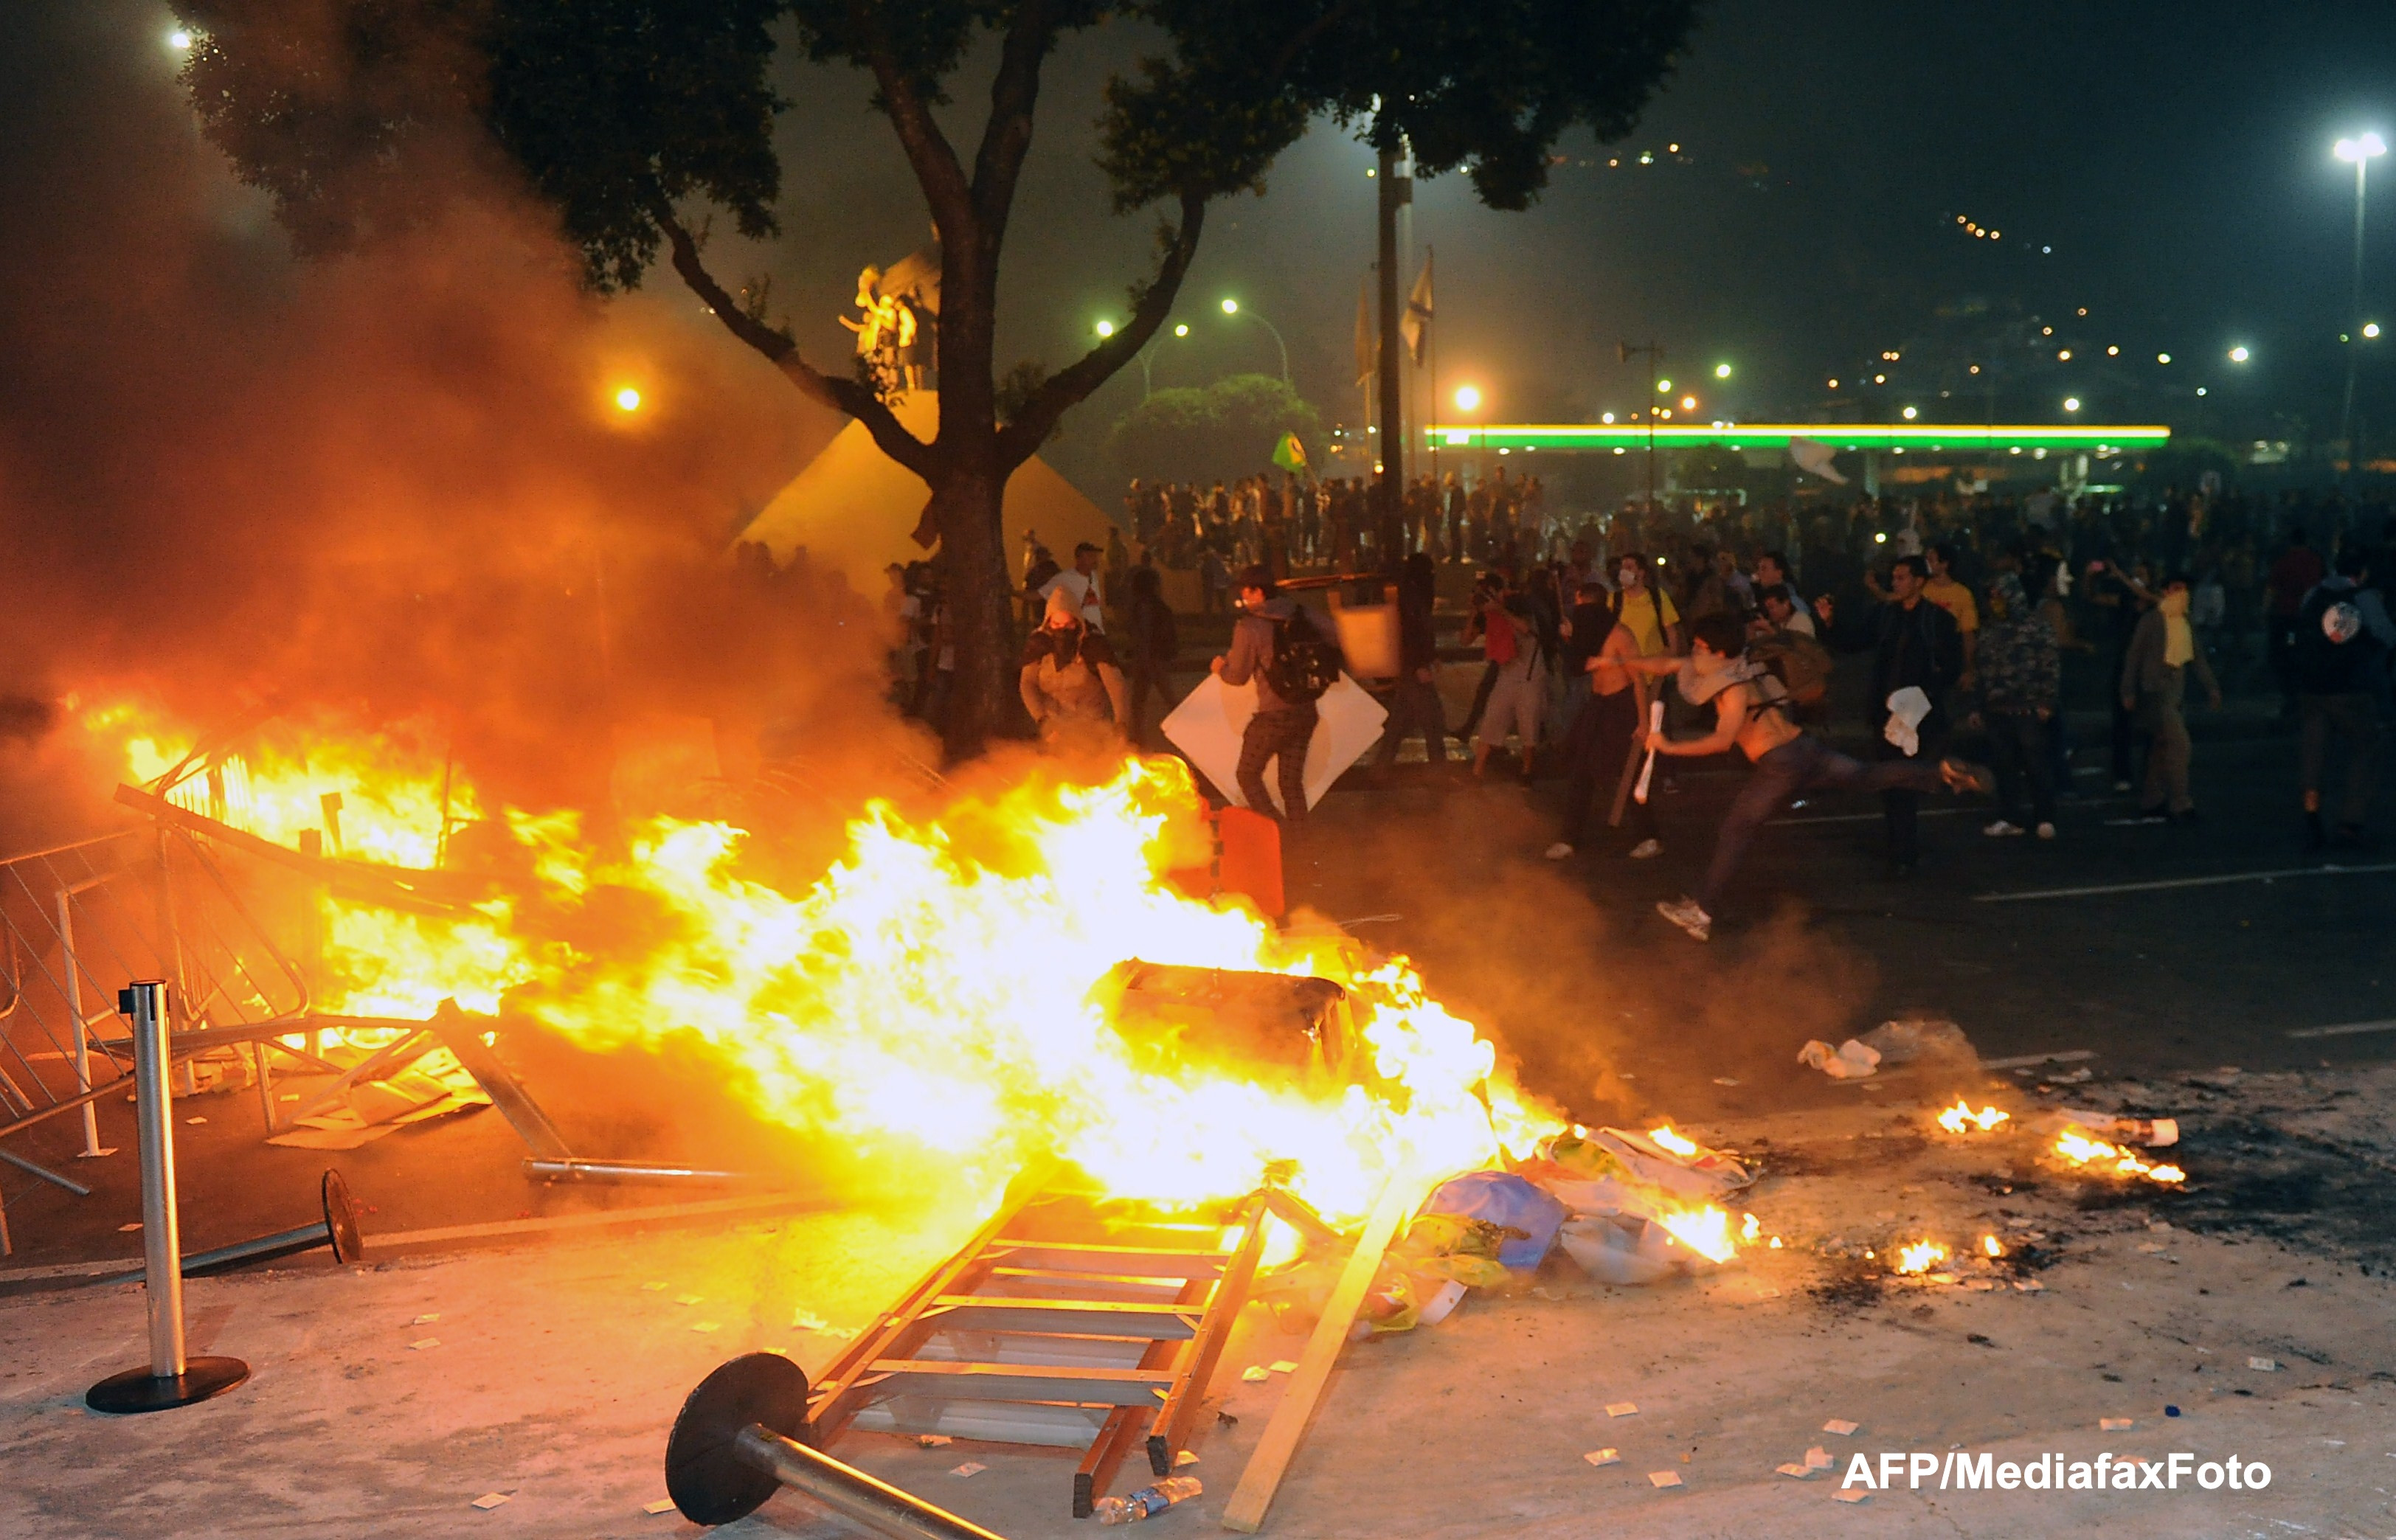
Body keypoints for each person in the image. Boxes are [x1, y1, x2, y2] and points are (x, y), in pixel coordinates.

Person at [1646, 615, 1987, 942]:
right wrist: (1613, 662)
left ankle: (1702, 912)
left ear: (1718, 652)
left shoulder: (1732, 689)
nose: (1694, 652)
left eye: (1700, 646)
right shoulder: (1742, 666)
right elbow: (1671, 665)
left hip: (1779, 763)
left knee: (1736, 829)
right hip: (1803, 748)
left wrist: (1668, 747)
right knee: (1866, 775)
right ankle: (1940, 771)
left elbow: (1720, 742)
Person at [1817, 554, 1964, 875]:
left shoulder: (1936, 620)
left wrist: (1924, 695)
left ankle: (1904, 851)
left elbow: (1952, 665)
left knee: (1906, 779)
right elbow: (1854, 642)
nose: (1895, 583)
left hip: (1918, 716)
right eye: (1894, 578)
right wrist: (1830, 623)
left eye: (1901, 578)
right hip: (1885, 714)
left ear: (1918, 582)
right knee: (1889, 780)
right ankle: (1899, 848)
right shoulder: (1885, 616)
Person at [1545, 580, 1662, 861]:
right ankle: (1568, 838)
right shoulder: (1586, 631)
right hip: (1598, 704)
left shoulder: (1621, 634)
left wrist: (1643, 722)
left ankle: (1649, 837)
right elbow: (1579, 667)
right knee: (1581, 768)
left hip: (1622, 706)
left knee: (1628, 771)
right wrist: (1567, 640)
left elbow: (1638, 679)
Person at [2293, 549, 2389, 848]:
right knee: (2367, 745)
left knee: (2314, 751)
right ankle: (2351, 821)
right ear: (2362, 572)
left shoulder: (2313, 595)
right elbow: (2386, 635)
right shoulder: (2363, 598)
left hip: (2311, 687)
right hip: (2348, 689)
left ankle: (2311, 815)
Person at [1213, 565, 1320, 822]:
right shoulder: (1301, 614)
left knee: (1247, 774)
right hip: (1306, 712)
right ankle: (1302, 840)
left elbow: (1238, 676)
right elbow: (1336, 635)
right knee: (1291, 782)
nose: (1242, 597)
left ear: (1258, 592)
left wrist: (1220, 669)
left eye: (1245, 592)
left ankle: (1276, 830)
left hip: (1273, 717)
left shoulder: (1249, 627)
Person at [2119, 573, 2221, 823]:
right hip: (2155, 691)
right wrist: (2128, 690)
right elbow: (2133, 657)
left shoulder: (2184, 622)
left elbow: (2197, 658)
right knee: (2179, 745)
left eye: (2185, 589)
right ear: (2165, 591)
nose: (2182, 594)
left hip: (2176, 693)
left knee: (2162, 746)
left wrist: (2212, 687)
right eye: (2177, 588)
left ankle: (2152, 799)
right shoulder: (2152, 621)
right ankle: (2180, 802)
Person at [1972, 571, 2060, 839]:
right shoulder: (1990, 630)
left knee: (2036, 765)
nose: (1995, 601)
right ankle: (2011, 816)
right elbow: (1982, 669)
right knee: (2004, 766)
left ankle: (2044, 816)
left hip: (2028, 707)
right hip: (1998, 707)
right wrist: (1978, 705)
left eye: (2000, 595)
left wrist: (2047, 700)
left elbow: (2050, 664)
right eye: (1993, 596)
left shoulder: (2036, 627)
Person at [1020, 586, 1130, 743]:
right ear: (1048, 622)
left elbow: (1116, 686)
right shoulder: (1039, 645)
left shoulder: (1094, 645)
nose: (1062, 631)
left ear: (1077, 622)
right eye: (1057, 624)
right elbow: (1027, 684)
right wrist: (1042, 720)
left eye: (1068, 625)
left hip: (1091, 730)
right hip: (1053, 731)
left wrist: (1121, 724)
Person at [1377, 552, 1455, 769]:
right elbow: (1413, 632)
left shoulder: (1410, 593)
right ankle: (1439, 771)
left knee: (1399, 721)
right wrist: (1422, 663)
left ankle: (1381, 768)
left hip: (1410, 665)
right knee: (1431, 720)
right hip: (1413, 666)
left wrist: (1430, 656)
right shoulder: (1412, 596)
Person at [1472, 573, 1547, 781]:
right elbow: (1466, 638)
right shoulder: (1490, 615)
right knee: (1491, 720)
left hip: (1529, 676)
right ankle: (1477, 771)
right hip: (1507, 674)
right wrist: (1474, 612)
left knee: (1528, 726)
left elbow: (1525, 629)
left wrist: (1500, 610)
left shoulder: (1520, 606)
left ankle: (1527, 770)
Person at [2268, 529, 2326, 721]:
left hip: (2286, 616)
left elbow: (2272, 589)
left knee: (2284, 655)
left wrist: (2264, 610)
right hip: (2309, 617)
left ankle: (2291, 695)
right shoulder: (2315, 560)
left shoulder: (2283, 561)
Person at [1122, 565, 1182, 744]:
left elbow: (1144, 633)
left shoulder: (1144, 605)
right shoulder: (1153, 604)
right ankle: (1138, 738)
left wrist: (1142, 655)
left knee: (1141, 702)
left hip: (1147, 658)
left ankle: (1137, 739)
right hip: (1152, 657)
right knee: (1164, 699)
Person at [1921, 542, 1980, 690]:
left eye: (1931, 560)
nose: (1927, 563)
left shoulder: (1962, 594)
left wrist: (1968, 670)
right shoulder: (1921, 588)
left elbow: (1968, 634)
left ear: (1945, 564)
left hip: (1948, 660)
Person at [1611, 552, 1682, 658]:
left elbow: (1671, 631)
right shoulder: (1613, 600)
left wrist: (1671, 658)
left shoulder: (1658, 597)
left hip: (1654, 666)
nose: (1624, 572)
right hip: (1625, 667)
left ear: (1641, 573)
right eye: (1622, 568)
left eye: (1629, 567)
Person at [1039, 540, 1107, 631]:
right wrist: (1015, 593)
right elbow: (1039, 594)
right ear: (1079, 559)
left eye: (1095, 556)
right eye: (1090, 556)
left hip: (1097, 632)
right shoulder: (1065, 578)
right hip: (1080, 633)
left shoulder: (1094, 576)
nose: (1095, 559)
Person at [1753, 552, 1813, 636]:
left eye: (1764, 569)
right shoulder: (1761, 600)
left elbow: (1797, 645)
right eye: (1758, 569)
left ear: (1779, 573)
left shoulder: (1796, 604)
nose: (1759, 573)